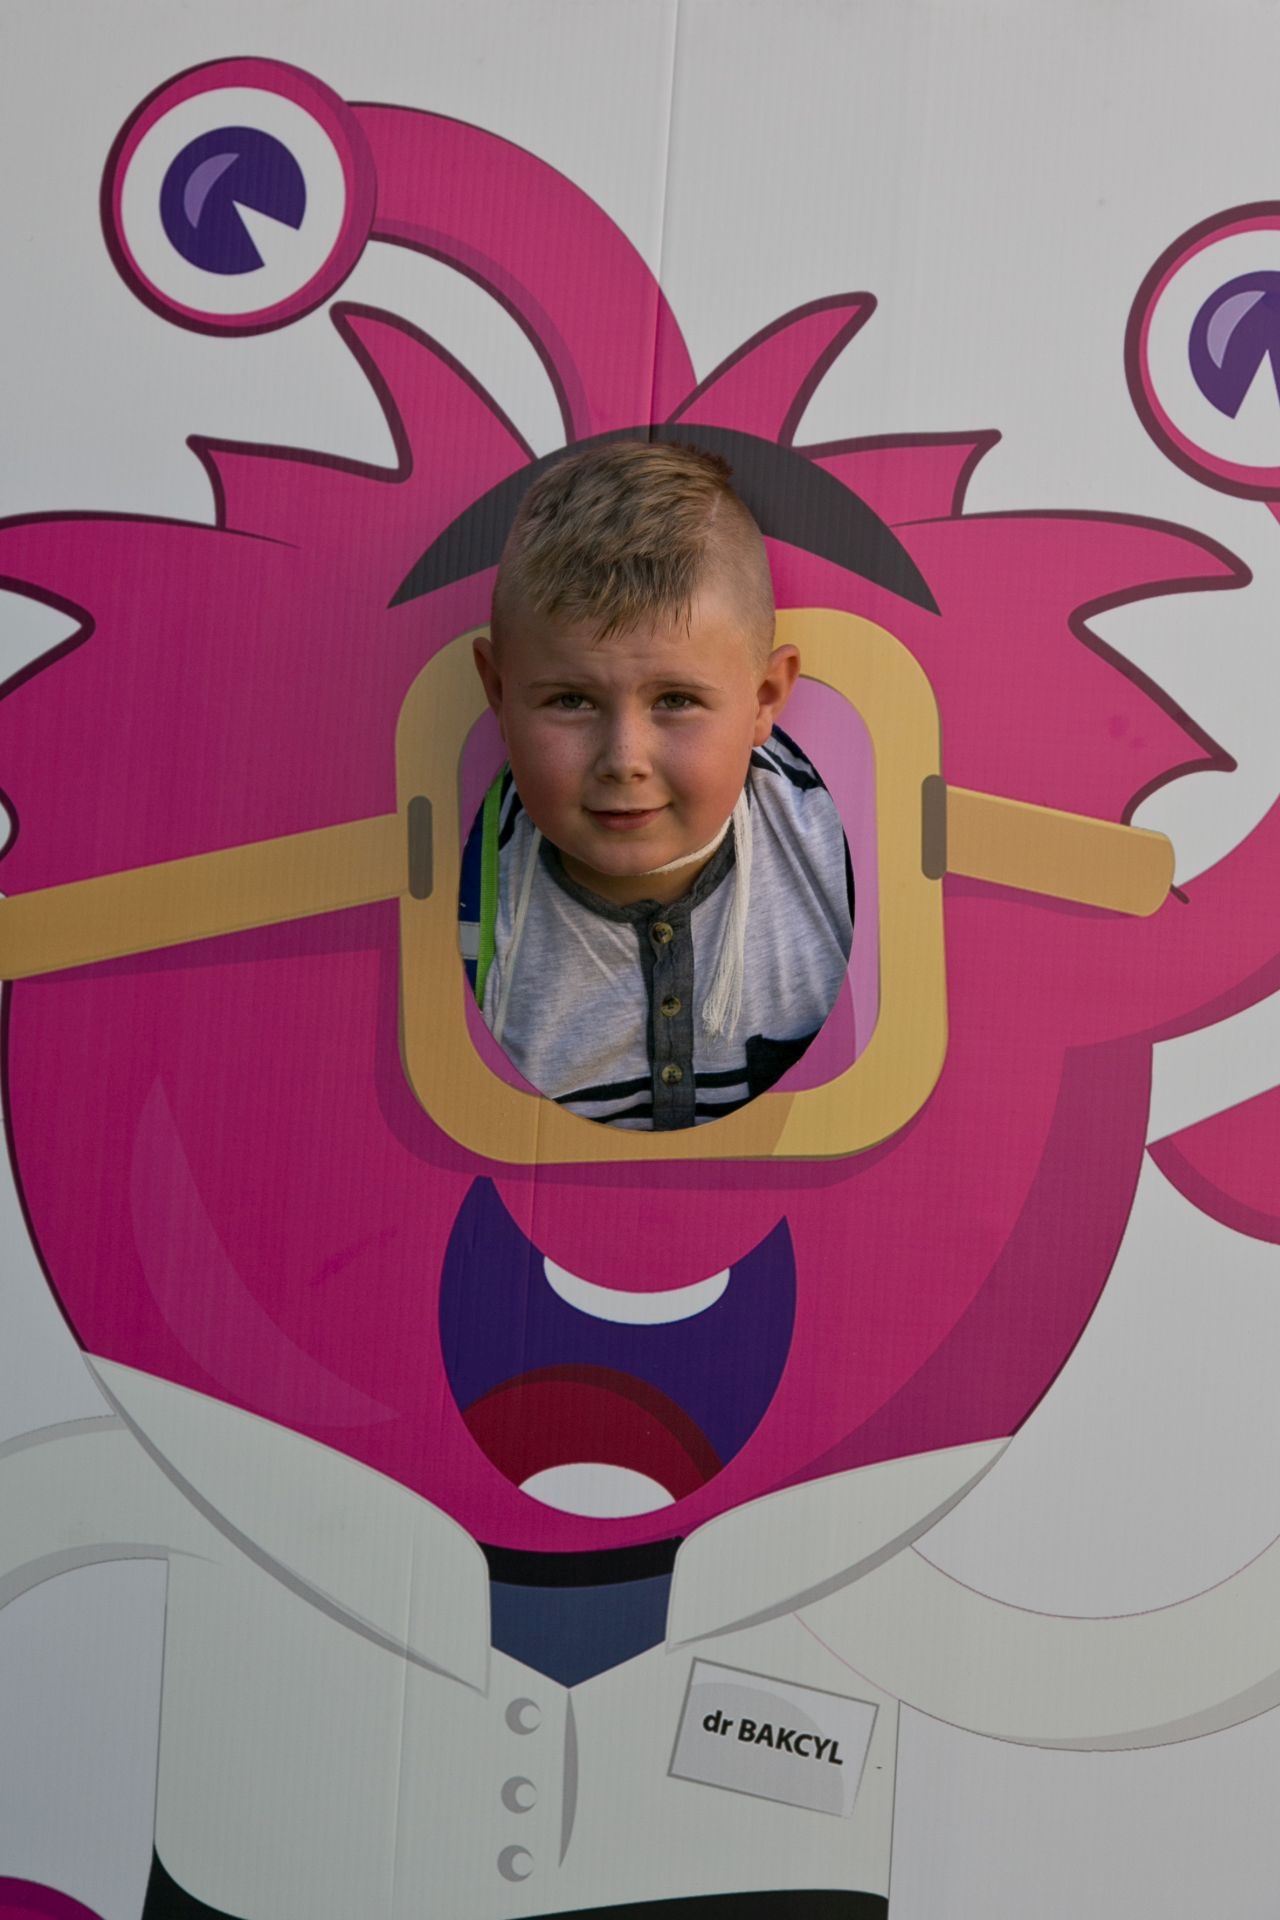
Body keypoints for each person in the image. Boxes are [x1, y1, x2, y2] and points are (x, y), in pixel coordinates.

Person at [467, 439, 853, 1130]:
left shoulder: (833, 860)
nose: (624, 759)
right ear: (498, 691)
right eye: (571, 701)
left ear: (765, 697)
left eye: (676, 700)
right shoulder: (470, 899)